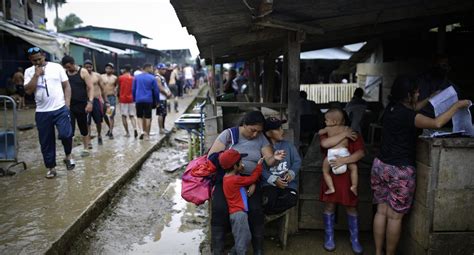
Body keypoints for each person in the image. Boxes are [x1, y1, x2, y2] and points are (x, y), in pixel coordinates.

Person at [371, 76, 471, 255]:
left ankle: (378, 252)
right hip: (400, 171)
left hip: (380, 166)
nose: (419, 93)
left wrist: (431, 97)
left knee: (381, 211)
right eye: (416, 92)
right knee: (395, 217)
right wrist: (457, 105)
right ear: (408, 94)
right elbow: (437, 123)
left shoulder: (391, 109)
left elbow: (414, 109)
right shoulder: (410, 116)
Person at [207, 111, 286, 255]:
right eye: (252, 130)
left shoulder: (261, 138)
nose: (255, 134)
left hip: (250, 181)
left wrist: (275, 158)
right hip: (227, 181)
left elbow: (268, 160)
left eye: (259, 131)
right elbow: (211, 157)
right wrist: (232, 163)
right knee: (220, 208)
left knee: (256, 210)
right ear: (244, 124)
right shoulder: (229, 135)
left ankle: (258, 249)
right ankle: (217, 249)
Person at [23, 47, 75, 178]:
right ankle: (51, 168)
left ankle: (68, 155)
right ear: (30, 60)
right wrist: (36, 74)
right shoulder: (28, 72)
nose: (37, 62)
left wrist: (67, 104)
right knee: (46, 141)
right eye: (34, 60)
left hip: (60, 108)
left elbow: (66, 86)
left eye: (39, 59)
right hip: (42, 112)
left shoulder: (56, 67)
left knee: (66, 134)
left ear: (44, 56)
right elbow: (28, 91)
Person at [319, 119, 365, 254]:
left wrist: (344, 160)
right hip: (331, 178)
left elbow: (360, 153)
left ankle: (355, 239)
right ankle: (329, 237)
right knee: (329, 206)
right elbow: (324, 143)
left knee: (351, 207)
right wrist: (344, 134)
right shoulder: (327, 133)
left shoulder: (354, 133)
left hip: (349, 179)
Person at [221, 149, 264, 255]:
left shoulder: (227, 178)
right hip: (239, 215)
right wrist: (259, 166)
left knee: (245, 237)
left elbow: (239, 187)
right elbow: (252, 178)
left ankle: (232, 253)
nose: (242, 164)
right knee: (242, 242)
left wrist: (239, 170)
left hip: (237, 214)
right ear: (235, 166)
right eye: (240, 163)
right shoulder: (235, 180)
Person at [262, 117, 301, 215]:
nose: (281, 131)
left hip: (288, 185)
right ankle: (267, 215)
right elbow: (260, 169)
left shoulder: (288, 146)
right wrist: (273, 179)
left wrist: (291, 173)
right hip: (269, 185)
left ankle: (267, 215)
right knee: (268, 200)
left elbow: (297, 162)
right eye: (277, 129)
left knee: (291, 199)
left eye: (281, 128)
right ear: (268, 133)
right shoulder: (262, 148)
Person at [318, 108, 358, 196]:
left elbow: (320, 132)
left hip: (331, 153)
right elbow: (354, 134)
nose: (325, 122)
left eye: (326, 120)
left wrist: (323, 130)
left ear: (334, 122)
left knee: (325, 170)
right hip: (344, 153)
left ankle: (331, 187)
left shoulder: (328, 129)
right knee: (354, 168)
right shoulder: (346, 128)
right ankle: (354, 186)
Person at [61, 56, 94, 157]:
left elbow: (91, 87)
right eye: (66, 68)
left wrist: (90, 102)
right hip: (69, 106)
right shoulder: (64, 73)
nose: (68, 69)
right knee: (69, 130)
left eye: (69, 67)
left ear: (73, 63)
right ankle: (69, 153)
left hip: (82, 104)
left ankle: (86, 148)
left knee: (83, 127)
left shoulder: (83, 72)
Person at [132, 63, 160, 140]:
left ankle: (141, 131)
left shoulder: (136, 78)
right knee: (148, 117)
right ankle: (146, 134)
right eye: (151, 68)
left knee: (139, 116)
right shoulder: (152, 78)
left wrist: (134, 99)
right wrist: (157, 101)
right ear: (147, 68)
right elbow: (156, 91)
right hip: (148, 100)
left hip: (138, 99)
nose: (152, 69)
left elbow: (133, 89)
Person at [83, 60, 107, 146]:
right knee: (87, 121)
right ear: (84, 67)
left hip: (96, 100)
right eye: (86, 67)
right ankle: (88, 139)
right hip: (86, 101)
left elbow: (103, 89)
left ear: (92, 67)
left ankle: (99, 135)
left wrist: (106, 101)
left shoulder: (97, 76)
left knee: (98, 120)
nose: (88, 69)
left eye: (90, 67)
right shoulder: (82, 76)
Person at [118, 64, 138, 138]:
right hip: (131, 99)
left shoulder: (120, 78)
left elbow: (119, 88)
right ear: (131, 70)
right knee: (132, 116)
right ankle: (135, 129)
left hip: (123, 99)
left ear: (124, 70)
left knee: (124, 116)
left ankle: (127, 133)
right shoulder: (133, 78)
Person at [101, 63, 118, 139]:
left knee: (111, 115)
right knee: (104, 115)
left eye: (110, 68)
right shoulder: (101, 77)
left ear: (112, 70)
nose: (108, 69)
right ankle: (109, 128)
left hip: (111, 98)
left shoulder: (115, 78)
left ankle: (111, 132)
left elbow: (117, 86)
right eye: (107, 68)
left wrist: (115, 92)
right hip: (103, 98)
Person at [155, 63, 172, 134]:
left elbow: (165, 86)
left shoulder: (162, 77)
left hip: (164, 97)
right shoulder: (157, 77)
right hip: (160, 98)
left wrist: (169, 92)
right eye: (163, 69)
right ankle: (161, 129)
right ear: (159, 69)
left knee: (164, 113)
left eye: (165, 69)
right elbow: (160, 88)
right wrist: (167, 94)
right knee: (161, 114)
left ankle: (163, 127)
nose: (165, 70)